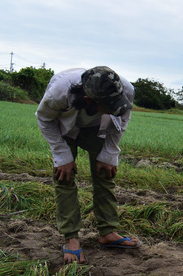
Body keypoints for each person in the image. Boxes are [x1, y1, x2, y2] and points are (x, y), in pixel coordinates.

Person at [36, 66, 139, 264]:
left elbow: (123, 116)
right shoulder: (59, 92)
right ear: (89, 101)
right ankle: (71, 237)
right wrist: (62, 155)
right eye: (109, 105)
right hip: (64, 126)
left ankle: (107, 232)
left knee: (105, 171)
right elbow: (44, 118)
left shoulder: (125, 89)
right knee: (63, 176)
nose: (115, 107)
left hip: (95, 127)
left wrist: (109, 152)